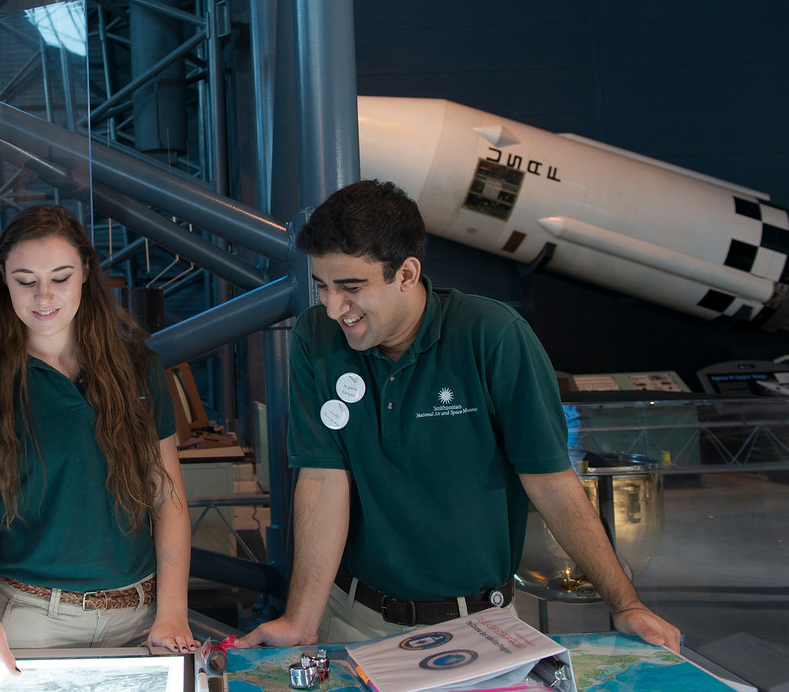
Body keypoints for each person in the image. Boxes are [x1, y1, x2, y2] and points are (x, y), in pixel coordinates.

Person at [238, 180, 681, 652]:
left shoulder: (492, 336)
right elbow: (323, 478)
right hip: (353, 620)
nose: (332, 308)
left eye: (351, 287)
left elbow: (551, 481)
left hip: (482, 627)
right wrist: (301, 622)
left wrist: (624, 604)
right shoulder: (315, 338)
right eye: (322, 286)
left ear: (406, 274)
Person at [0, 205, 198, 692]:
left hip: (143, 616)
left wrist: (172, 612)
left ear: (86, 274)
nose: (44, 296)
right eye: (26, 280)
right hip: (32, 621)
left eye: (60, 277)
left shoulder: (137, 369)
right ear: (3, 279)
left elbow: (169, 500)